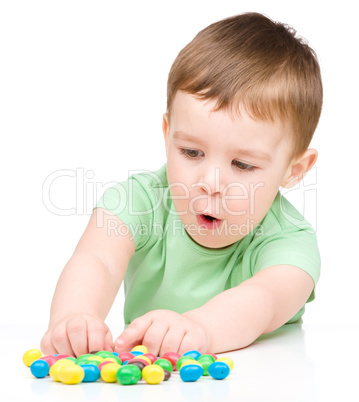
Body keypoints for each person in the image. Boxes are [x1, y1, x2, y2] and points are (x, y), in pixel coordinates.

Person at [40, 12, 322, 357]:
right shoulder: (140, 201)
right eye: (191, 152)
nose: (210, 183)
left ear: (295, 169)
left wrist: (199, 329)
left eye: (243, 165)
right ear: (167, 134)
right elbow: (97, 258)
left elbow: (265, 298)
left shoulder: (291, 241)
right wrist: (74, 317)